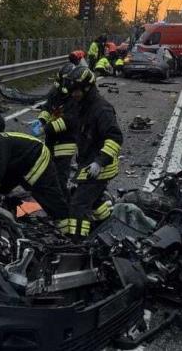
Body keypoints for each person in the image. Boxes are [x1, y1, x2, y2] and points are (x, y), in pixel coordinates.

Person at [62, 66, 123, 239]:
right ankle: (108, 227)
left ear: (87, 88)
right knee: (94, 201)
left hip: (100, 166)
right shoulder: (82, 104)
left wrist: (99, 162)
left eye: (77, 91)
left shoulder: (102, 110)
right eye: (72, 91)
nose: (74, 94)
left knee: (78, 205)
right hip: (87, 161)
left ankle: (78, 242)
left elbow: (115, 138)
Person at [31, 64, 79, 188]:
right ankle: (49, 189)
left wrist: (45, 128)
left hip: (66, 140)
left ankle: (61, 194)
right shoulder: (56, 92)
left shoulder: (76, 98)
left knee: (61, 172)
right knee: (48, 167)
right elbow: (48, 107)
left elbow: (67, 121)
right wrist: (41, 120)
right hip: (52, 137)